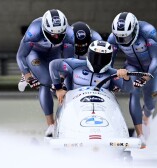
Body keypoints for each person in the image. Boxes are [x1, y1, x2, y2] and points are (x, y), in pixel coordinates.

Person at [16, 9, 75, 137]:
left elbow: (69, 61)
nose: (56, 37)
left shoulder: (70, 34)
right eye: (52, 34)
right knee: (46, 82)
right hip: (34, 55)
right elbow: (21, 55)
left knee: (63, 85)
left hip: (54, 55)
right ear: (44, 30)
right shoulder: (34, 30)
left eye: (60, 35)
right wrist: (27, 74)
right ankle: (50, 125)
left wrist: (62, 78)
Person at [107, 12, 157, 148]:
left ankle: (147, 115)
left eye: (126, 37)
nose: (123, 40)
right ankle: (140, 134)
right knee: (134, 91)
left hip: (151, 69)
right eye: (120, 37)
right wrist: (112, 81)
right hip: (132, 67)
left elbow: (156, 59)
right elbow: (109, 64)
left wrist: (146, 77)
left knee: (151, 101)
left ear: (135, 30)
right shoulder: (113, 39)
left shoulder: (149, 32)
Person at [49, 40, 134, 105]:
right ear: (89, 55)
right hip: (75, 105)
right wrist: (58, 88)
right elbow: (53, 65)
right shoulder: (75, 65)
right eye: (95, 57)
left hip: (101, 106)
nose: (98, 62)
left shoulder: (112, 73)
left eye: (103, 58)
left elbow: (128, 89)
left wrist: (126, 78)